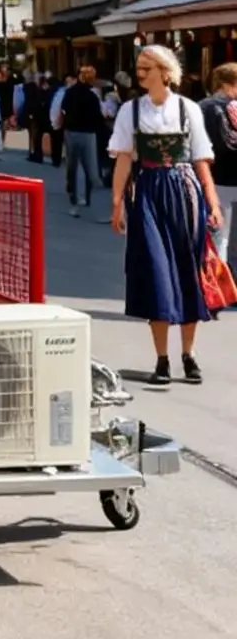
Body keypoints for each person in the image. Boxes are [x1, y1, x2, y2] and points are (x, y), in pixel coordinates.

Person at [110, 45, 223, 388]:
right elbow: (124, 159)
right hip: (146, 192)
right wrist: (117, 202)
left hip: (184, 190)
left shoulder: (188, 109)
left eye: (147, 67)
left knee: (188, 269)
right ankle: (161, 358)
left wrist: (213, 202)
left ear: (164, 70)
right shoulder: (129, 111)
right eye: (139, 67)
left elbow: (201, 159)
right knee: (155, 270)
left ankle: (188, 355)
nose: (140, 73)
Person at [59, 60, 107, 217]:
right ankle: (86, 197)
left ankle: (73, 195)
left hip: (71, 132)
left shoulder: (70, 92)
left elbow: (63, 109)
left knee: (72, 165)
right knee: (89, 167)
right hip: (88, 134)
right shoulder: (93, 97)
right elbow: (98, 119)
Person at [199, 64, 237, 265]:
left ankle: (221, 288)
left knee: (219, 237)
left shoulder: (201, 107)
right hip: (224, 176)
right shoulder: (224, 107)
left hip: (215, 177)